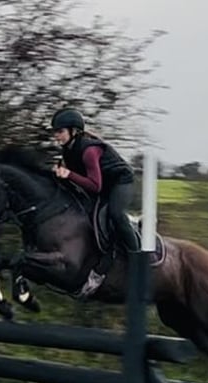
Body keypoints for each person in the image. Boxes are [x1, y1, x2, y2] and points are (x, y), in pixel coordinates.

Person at [50, 107, 139, 294]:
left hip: (120, 182)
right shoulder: (68, 150)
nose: (56, 136)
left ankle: (138, 257)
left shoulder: (89, 150)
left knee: (115, 213)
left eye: (60, 131)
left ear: (73, 131)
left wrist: (68, 174)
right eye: (55, 132)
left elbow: (95, 186)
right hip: (104, 185)